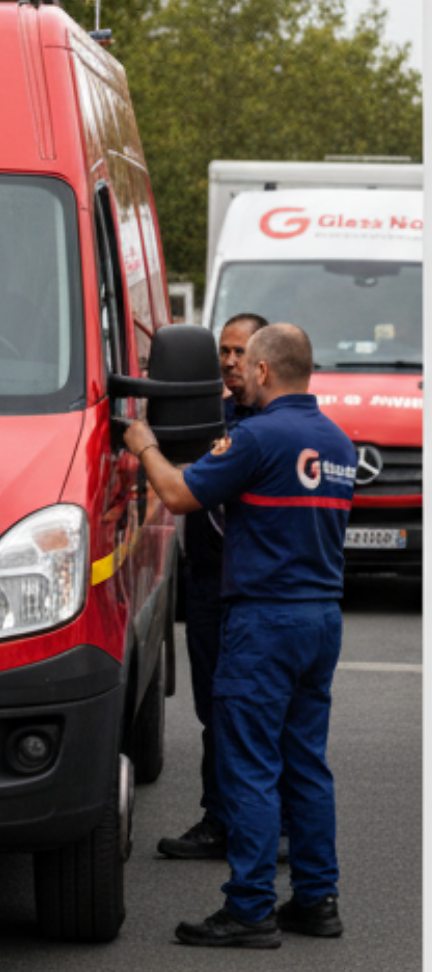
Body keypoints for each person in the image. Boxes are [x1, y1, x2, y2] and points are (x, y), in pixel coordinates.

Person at [125, 324, 356, 949]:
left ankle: (250, 908)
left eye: (244, 363)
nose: (238, 374)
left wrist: (145, 445)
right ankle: (317, 899)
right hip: (320, 618)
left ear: (263, 371)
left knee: (250, 764)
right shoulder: (337, 442)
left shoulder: (256, 436)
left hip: (265, 621)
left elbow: (178, 494)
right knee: (306, 764)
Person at [158, 312, 267, 860]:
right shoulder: (207, 419)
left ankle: (273, 826)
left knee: (263, 712)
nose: (228, 361)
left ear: (264, 360)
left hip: (257, 591)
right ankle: (219, 821)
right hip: (207, 584)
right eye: (223, 351)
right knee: (215, 710)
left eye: (239, 352)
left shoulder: (274, 427)